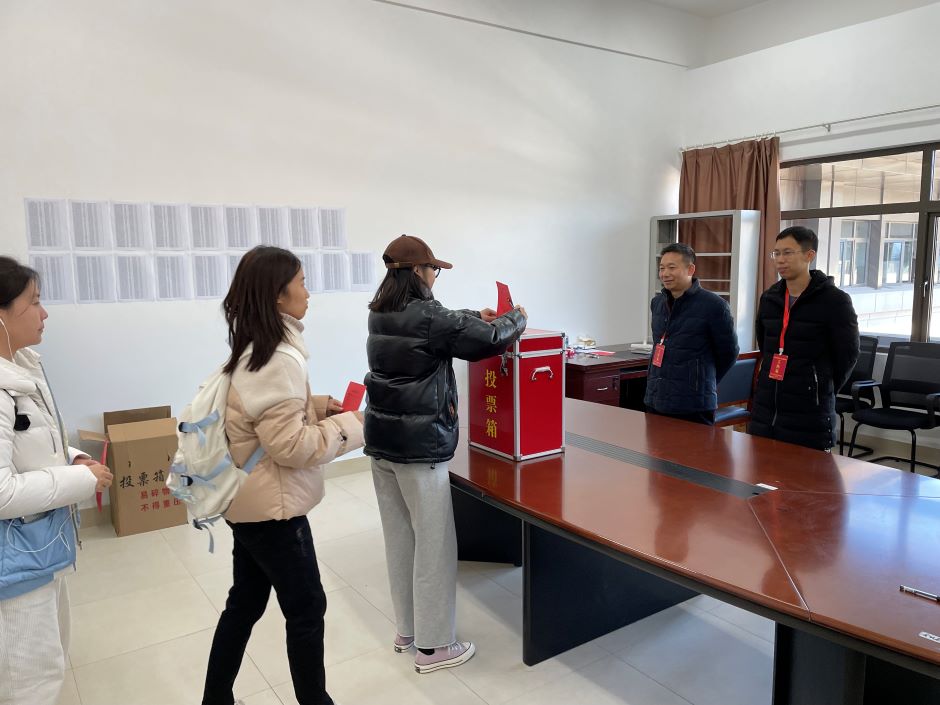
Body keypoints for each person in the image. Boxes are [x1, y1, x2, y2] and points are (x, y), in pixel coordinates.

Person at [202, 246, 364, 705]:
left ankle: (216, 698)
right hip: (274, 510)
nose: (308, 293)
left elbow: (258, 416)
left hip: (250, 502)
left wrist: (317, 407)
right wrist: (352, 427)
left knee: (245, 602)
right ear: (278, 295)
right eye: (302, 283)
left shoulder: (255, 348)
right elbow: (290, 447)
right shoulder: (277, 358)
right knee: (307, 608)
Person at [364, 235, 527, 674]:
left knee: (401, 540)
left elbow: (448, 324)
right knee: (434, 546)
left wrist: (474, 314)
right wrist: (516, 318)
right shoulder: (428, 315)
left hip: (381, 442)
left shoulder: (381, 311)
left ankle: (408, 631)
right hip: (419, 448)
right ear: (417, 272)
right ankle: (435, 647)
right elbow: (489, 339)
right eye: (433, 269)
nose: (435, 276)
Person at [0, 256, 112, 705]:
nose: (44, 313)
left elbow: (31, 443)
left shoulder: (22, 368)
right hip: (14, 566)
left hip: (40, 548)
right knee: (30, 684)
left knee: (51, 661)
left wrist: (74, 456)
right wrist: (81, 480)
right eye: (34, 302)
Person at [748, 226, 860, 451]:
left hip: (810, 409)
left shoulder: (835, 301)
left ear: (810, 255)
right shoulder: (769, 298)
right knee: (761, 466)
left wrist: (820, 384)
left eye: (788, 253)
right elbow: (766, 343)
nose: (780, 260)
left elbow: (847, 355)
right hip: (767, 406)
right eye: (776, 253)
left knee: (806, 471)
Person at [644, 243, 739, 425]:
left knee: (693, 445)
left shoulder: (714, 305)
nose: (665, 273)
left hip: (693, 404)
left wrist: (701, 380)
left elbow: (729, 353)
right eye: (662, 268)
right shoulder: (657, 303)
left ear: (691, 269)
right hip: (656, 398)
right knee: (653, 444)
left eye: (672, 267)